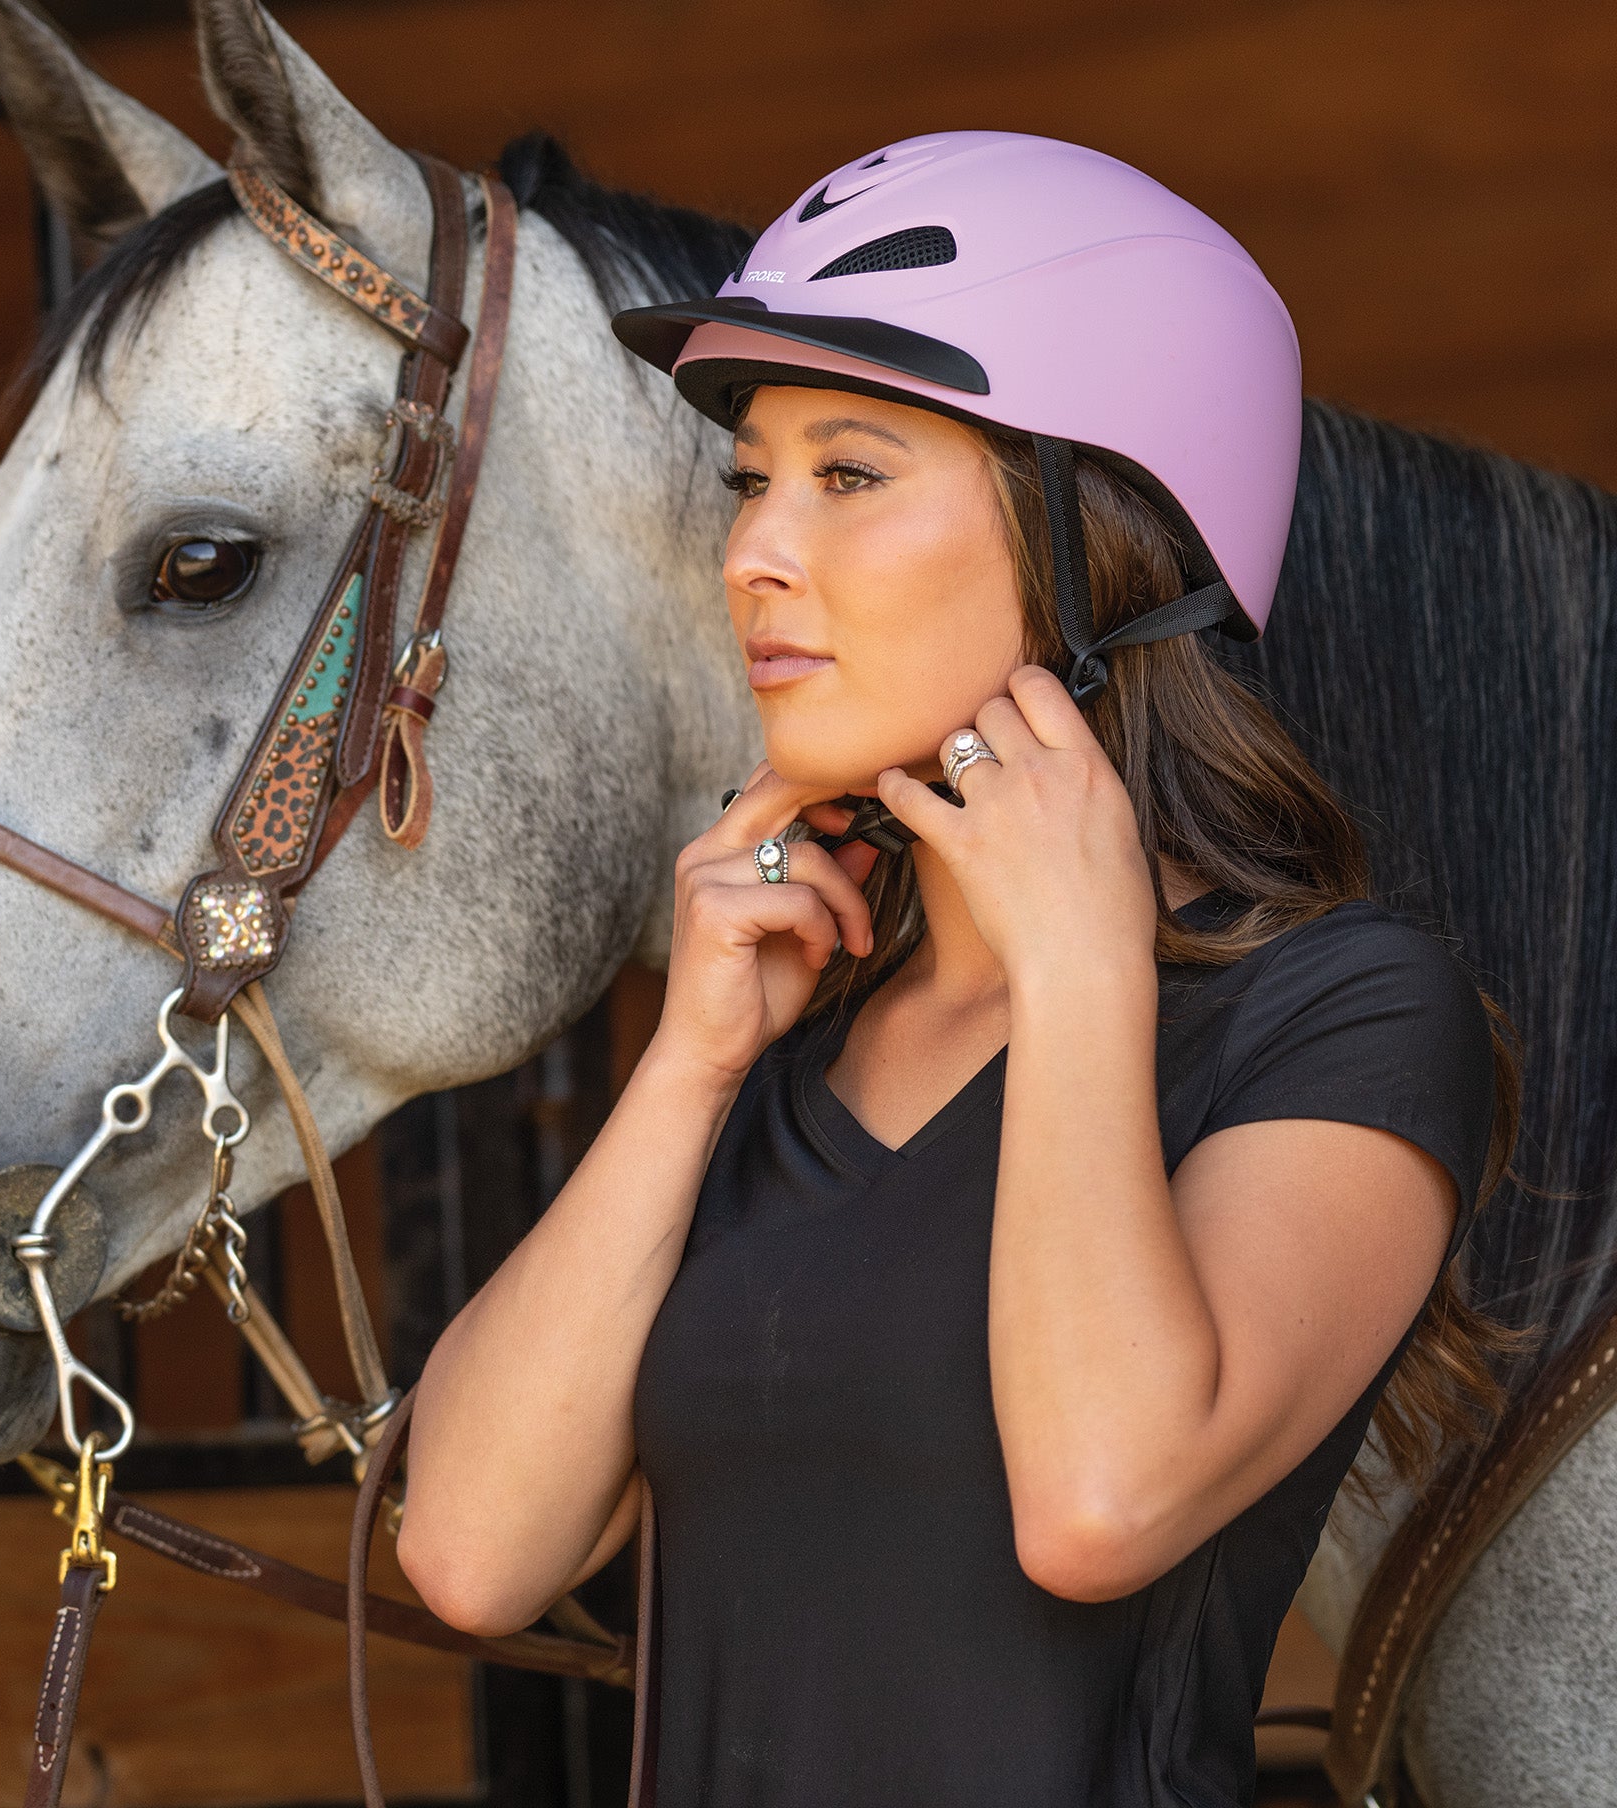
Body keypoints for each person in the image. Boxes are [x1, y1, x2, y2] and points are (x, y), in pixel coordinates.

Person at [395, 132, 1514, 1806]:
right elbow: (472, 1553)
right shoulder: (789, 1053)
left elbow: (1100, 1505)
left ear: (1108, 535)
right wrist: (692, 1067)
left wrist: (1079, 973)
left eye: (846, 474)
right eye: (746, 481)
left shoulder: (1345, 1018)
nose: (754, 550)